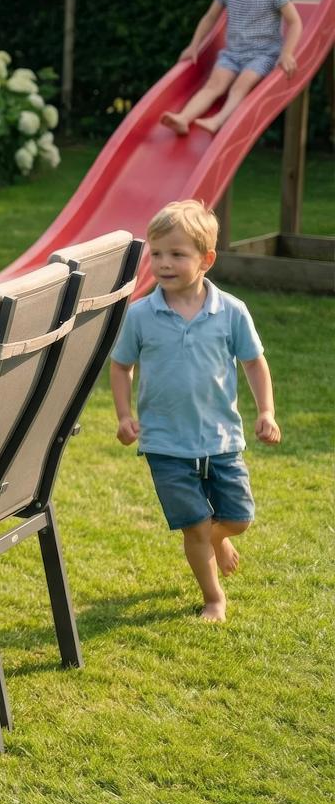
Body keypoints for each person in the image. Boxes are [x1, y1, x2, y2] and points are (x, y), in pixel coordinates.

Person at [110, 200, 281, 623]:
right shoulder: (141, 314)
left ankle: (214, 539)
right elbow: (120, 365)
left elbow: (254, 363)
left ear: (206, 260)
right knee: (193, 526)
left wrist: (267, 412)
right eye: (157, 254)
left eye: (177, 254)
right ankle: (213, 598)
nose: (163, 264)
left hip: (221, 440)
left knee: (238, 518)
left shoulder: (231, 312)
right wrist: (123, 414)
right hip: (166, 445)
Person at [160, 0, 301, 135]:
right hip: (233, 54)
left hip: (263, 55)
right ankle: (184, 118)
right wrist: (194, 45)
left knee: (240, 86)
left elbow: (295, 22)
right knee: (213, 86)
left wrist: (286, 53)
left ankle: (217, 121)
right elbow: (209, 18)